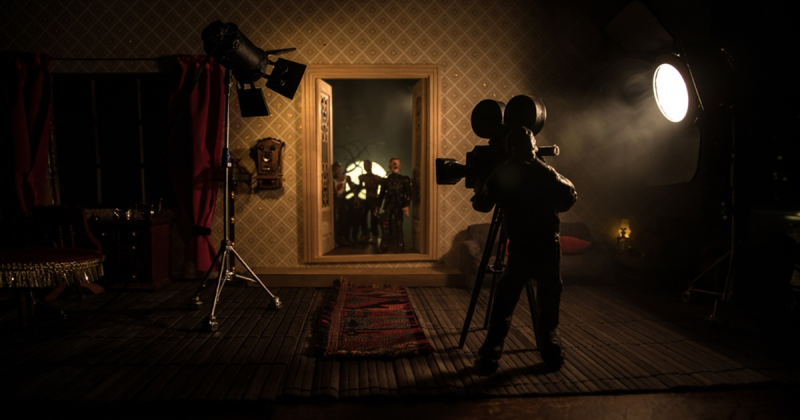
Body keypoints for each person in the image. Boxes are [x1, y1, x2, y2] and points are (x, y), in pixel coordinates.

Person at [471, 126, 577, 374]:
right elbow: (570, 195)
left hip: (522, 246)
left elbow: (482, 205)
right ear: (534, 147)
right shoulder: (546, 172)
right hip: (549, 244)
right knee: (549, 298)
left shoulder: (503, 173)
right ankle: (552, 351)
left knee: (505, 299)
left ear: (510, 148)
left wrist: (480, 186)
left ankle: (491, 354)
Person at [377, 157, 412, 253]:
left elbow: (408, 193)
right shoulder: (386, 181)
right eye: (393, 163)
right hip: (388, 206)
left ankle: (400, 246)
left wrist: (406, 205)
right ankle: (384, 246)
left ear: (400, 166)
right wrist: (377, 206)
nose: (395, 165)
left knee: (398, 226)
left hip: (398, 205)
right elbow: (381, 195)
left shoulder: (404, 180)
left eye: (397, 163)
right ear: (389, 166)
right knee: (385, 225)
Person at [358, 159, 383, 244]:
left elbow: (383, 187)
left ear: (371, 166)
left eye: (367, 165)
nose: (366, 167)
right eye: (365, 165)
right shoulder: (363, 177)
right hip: (367, 199)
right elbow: (359, 187)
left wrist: (379, 198)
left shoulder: (376, 178)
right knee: (362, 216)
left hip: (374, 199)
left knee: (374, 218)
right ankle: (365, 234)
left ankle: (375, 236)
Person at [332, 162, 351, 246]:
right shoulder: (332, 179)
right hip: (336, 201)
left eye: (338, 168)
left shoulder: (346, 177)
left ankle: (342, 237)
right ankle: (335, 239)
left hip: (343, 200)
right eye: (335, 169)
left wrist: (356, 199)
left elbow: (353, 187)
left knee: (344, 219)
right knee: (336, 220)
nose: (337, 170)